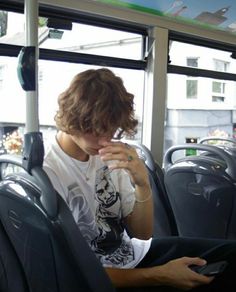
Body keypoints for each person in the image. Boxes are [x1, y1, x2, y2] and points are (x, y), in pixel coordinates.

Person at [43, 68, 236, 291]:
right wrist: (160, 275)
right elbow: (73, 273)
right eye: (96, 130)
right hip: (98, 277)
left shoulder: (110, 156)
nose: (105, 140)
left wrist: (142, 183)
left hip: (131, 254)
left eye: (111, 131)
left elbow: (142, 235)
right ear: (73, 119)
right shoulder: (49, 172)